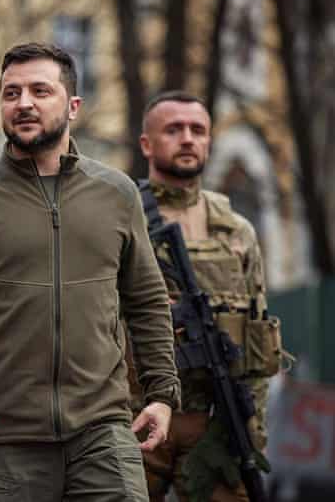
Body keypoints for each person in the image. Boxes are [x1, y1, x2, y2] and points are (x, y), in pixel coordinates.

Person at [0, 42, 181, 502]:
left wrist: (161, 393)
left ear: (73, 105)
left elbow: (147, 299)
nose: (24, 103)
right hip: (2, 436)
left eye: (40, 90)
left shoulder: (116, 194)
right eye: (11, 93)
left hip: (103, 431)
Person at [133, 90, 282, 502]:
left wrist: (250, 431)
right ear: (147, 143)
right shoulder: (121, 219)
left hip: (213, 423)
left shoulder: (236, 231)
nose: (187, 138)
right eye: (173, 129)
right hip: (132, 420)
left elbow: (258, 341)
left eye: (197, 130)